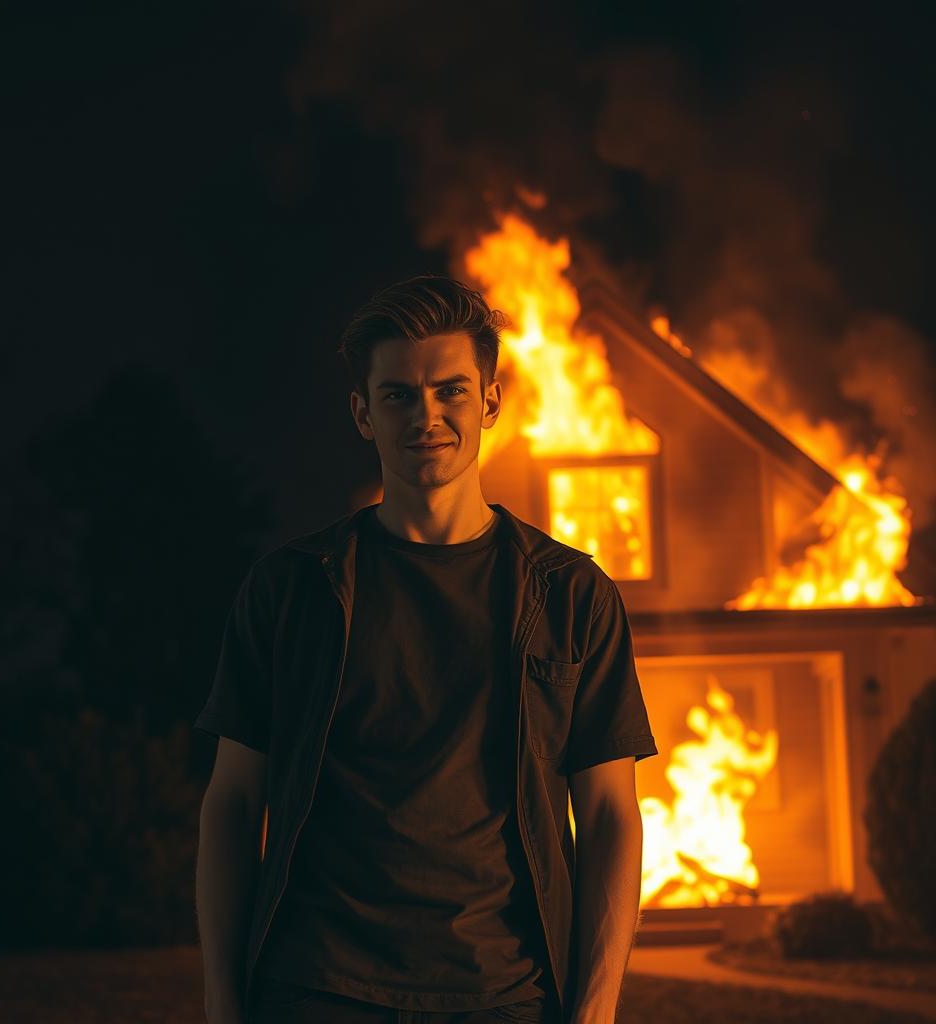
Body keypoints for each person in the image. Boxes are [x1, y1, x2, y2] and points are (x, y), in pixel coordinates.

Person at [193, 274, 658, 1024]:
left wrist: (596, 1010)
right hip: (317, 989)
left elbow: (609, 814)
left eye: (450, 391)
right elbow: (234, 801)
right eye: (399, 396)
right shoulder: (289, 591)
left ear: (491, 403)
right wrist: (223, 1001)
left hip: (506, 994)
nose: (428, 416)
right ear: (362, 414)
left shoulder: (571, 594)